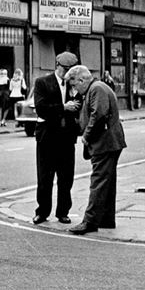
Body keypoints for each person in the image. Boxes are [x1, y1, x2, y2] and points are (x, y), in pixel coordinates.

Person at [65, 65, 127, 234]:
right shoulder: (95, 88)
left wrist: (86, 136)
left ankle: (90, 221)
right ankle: (106, 219)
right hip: (109, 142)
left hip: (104, 142)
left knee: (98, 182)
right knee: (107, 181)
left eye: (74, 85)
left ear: (81, 79)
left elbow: (98, 115)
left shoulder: (97, 88)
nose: (74, 89)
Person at [30, 51, 82, 225]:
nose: (67, 74)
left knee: (66, 178)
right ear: (57, 66)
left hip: (66, 138)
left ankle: (63, 212)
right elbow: (41, 108)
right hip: (47, 137)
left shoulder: (74, 86)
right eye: (65, 69)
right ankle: (42, 212)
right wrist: (63, 107)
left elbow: (80, 108)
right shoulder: (42, 83)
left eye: (71, 70)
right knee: (45, 177)